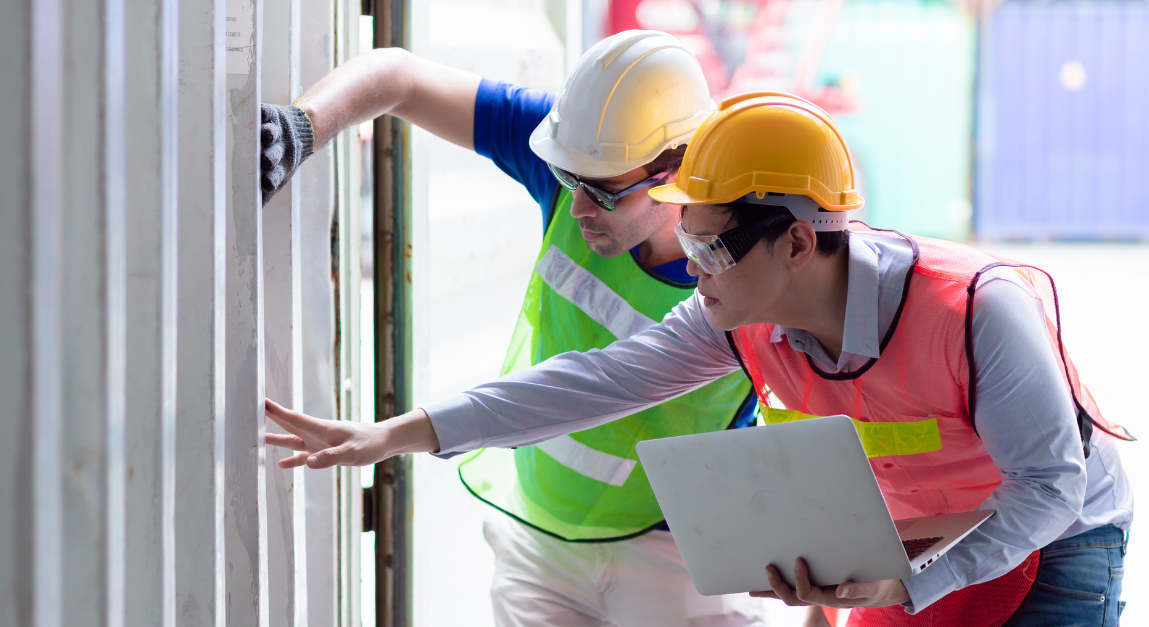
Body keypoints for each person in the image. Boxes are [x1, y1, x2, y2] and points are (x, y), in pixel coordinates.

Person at [266, 91, 1137, 627]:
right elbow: (594, 382)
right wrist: (402, 432)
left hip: (1056, 536)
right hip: (917, 534)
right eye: (690, 237)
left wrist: (912, 587)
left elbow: (1051, 489)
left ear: (797, 241)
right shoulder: (736, 314)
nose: (694, 266)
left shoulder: (980, 309)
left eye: (712, 247)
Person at [260, 31, 768, 627]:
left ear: (676, 171)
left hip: (677, 548)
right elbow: (399, 77)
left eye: (602, 193)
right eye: (568, 180)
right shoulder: (583, 153)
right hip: (538, 534)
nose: (576, 207)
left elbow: (598, 384)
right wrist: (303, 128)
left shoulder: (748, 277)